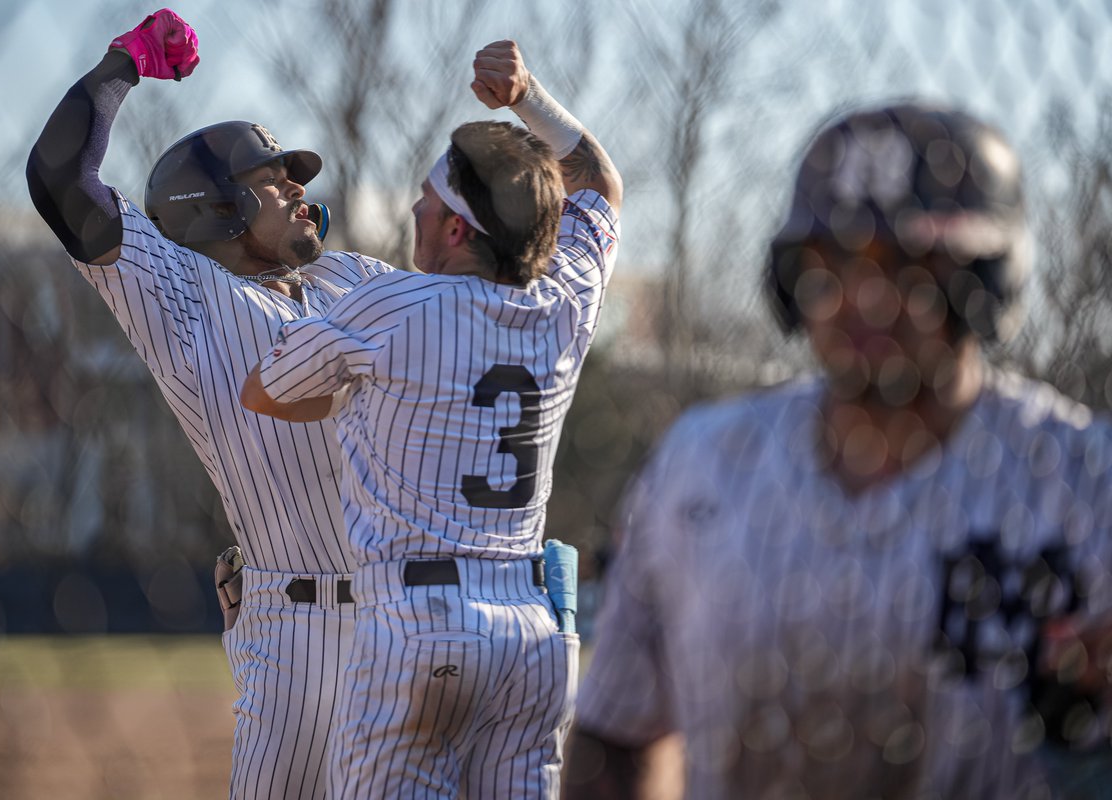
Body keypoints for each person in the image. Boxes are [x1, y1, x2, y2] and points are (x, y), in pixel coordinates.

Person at [565, 103, 1112, 799]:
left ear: (985, 281)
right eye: (836, 263)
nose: (867, 298)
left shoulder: (1082, 480)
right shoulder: (706, 463)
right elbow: (616, 734)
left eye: (910, 265)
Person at [25, 9, 398, 799]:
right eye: (270, 177)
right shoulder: (183, 292)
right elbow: (61, 182)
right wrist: (122, 65)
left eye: (292, 175)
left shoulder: (349, 278)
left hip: (401, 621)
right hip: (297, 636)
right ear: (215, 206)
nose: (297, 187)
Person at [240, 39, 622, 799]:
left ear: (456, 230)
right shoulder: (564, 301)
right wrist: (528, 97)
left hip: (419, 623)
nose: (414, 208)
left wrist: (364, 390)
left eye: (428, 199)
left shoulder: (392, 303)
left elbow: (264, 391)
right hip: (532, 635)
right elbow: (601, 184)